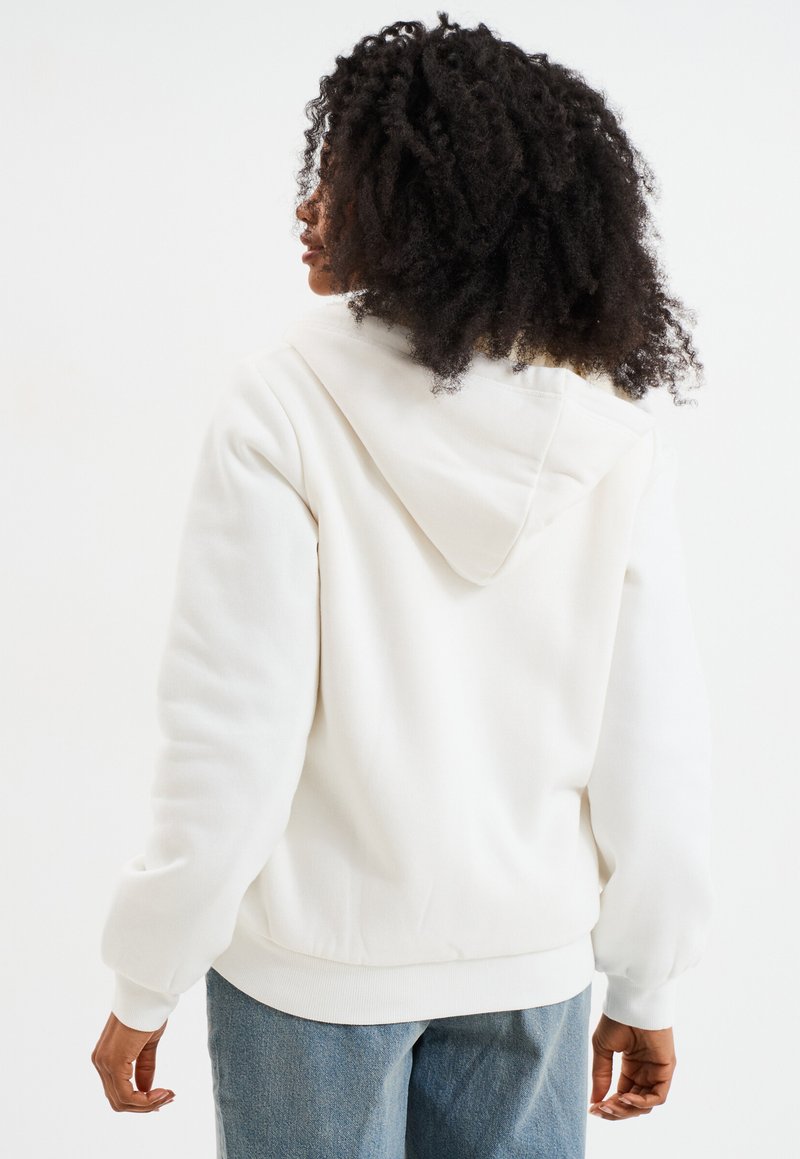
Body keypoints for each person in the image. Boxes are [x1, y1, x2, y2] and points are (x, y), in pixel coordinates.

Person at [91, 12, 714, 1157]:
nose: (309, 207)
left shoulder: (283, 402)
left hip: (310, 976)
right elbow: (653, 741)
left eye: (344, 176)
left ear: (427, 204)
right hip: (527, 966)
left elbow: (233, 734)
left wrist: (148, 971)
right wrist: (645, 976)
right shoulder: (607, 428)